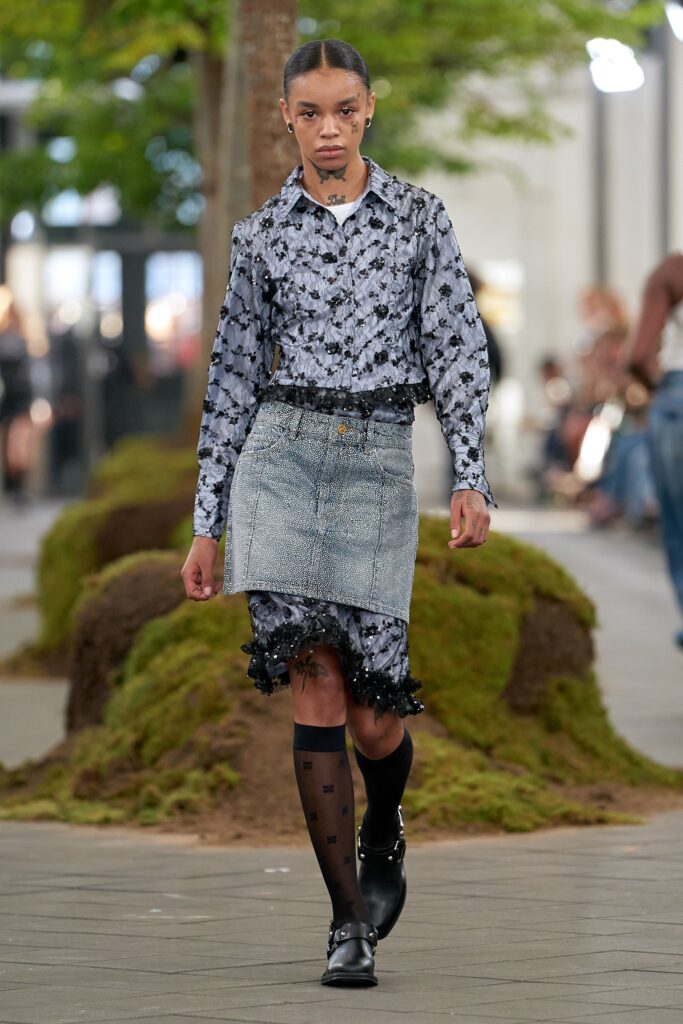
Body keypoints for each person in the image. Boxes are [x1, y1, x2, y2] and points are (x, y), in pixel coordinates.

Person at [182, 39, 495, 986]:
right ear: (286, 116)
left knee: (371, 713)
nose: (328, 129)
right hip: (279, 458)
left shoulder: (418, 219)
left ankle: (384, 822)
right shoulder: (260, 235)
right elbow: (233, 377)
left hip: (375, 467)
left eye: (344, 111)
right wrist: (208, 520)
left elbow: (457, 350)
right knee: (311, 679)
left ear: (369, 112)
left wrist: (470, 474)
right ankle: (345, 923)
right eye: (310, 112)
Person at [625, 252, 683, 650]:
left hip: (678, 399)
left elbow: (637, 356)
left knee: (679, 530)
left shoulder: (672, 270)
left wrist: (657, 389)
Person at [0, 286, 34, 506]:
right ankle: (13, 488)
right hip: (7, 400)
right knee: (9, 447)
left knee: (18, 447)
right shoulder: (6, 340)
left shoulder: (22, 342)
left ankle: (18, 489)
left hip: (21, 399)